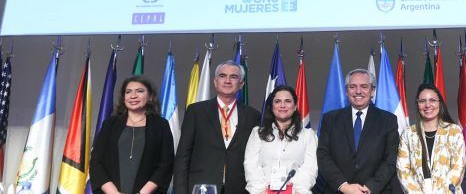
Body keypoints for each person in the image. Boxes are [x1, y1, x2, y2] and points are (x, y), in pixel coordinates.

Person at [174, 61, 261, 194]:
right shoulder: (196, 111)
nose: (227, 80)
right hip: (202, 188)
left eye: (233, 77)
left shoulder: (253, 115)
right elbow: (183, 155)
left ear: (241, 84)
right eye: (222, 76)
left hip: (239, 189)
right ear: (215, 82)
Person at [317, 69, 399, 194]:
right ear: (346, 91)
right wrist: (344, 186)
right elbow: (323, 156)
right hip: (338, 190)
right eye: (352, 87)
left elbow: (390, 159)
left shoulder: (388, 120)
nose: (358, 91)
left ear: (372, 91)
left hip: (375, 191)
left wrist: (370, 188)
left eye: (364, 86)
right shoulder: (330, 119)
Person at [90, 76, 174, 194]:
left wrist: (143, 192)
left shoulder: (161, 125)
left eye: (139, 91)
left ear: (150, 97)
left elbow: (166, 164)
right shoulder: (110, 124)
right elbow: (96, 162)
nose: (133, 95)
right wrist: (113, 192)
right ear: (124, 98)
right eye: (128, 92)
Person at [244, 85, 318, 194]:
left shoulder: (308, 135)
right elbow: (251, 166)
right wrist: (260, 190)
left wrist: (294, 191)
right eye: (277, 101)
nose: (282, 105)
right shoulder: (257, 133)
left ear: (295, 106)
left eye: (288, 101)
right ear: (271, 106)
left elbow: (310, 169)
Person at [396, 83, 465, 193]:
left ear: (440, 103)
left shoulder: (454, 131)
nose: (427, 105)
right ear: (418, 105)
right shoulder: (408, 134)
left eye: (432, 100)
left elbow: (458, 167)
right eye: (422, 101)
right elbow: (402, 170)